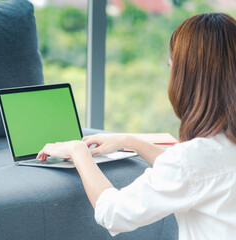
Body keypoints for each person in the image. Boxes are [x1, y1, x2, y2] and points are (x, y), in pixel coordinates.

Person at [36, 13, 236, 239]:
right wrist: (130, 142)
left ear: (187, 79)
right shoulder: (210, 153)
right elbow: (196, 170)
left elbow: (113, 213)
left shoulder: (191, 159)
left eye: (172, 68)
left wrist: (78, 151)